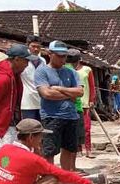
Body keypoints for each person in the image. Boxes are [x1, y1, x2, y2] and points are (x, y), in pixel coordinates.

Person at [34, 41, 83, 170]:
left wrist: (59, 88)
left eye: (64, 56)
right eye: (60, 56)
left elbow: (80, 92)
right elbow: (46, 93)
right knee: (49, 150)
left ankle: (66, 177)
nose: (63, 59)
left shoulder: (71, 73)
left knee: (69, 149)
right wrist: (69, 93)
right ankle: (50, 180)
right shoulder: (42, 71)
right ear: (50, 54)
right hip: (51, 116)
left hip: (71, 116)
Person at [0, 44, 37, 154]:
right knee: (5, 160)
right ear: (17, 60)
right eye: (26, 61)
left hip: (13, 124)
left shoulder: (15, 76)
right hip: (2, 126)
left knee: (14, 158)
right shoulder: (2, 79)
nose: (27, 64)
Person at [67, 49, 96, 158]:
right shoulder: (66, 69)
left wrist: (91, 100)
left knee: (86, 127)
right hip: (71, 102)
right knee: (73, 128)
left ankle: (88, 148)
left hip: (84, 103)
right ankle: (78, 149)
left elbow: (92, 86)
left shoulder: (87, 70)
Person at [65, 49, 85, 172]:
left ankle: (69, 168)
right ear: (78, 61)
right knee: (74, 141)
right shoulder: (74, 73)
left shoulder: (60, 71)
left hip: (63, 110)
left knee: (68, 142)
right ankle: (72, 168)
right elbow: (79, 93)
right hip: (75, 110)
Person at [21, 35, 47, 121]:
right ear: (27, 46)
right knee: (28, 129)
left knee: (40, 129)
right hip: (26, 101)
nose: (36, 49)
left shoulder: (43, 61)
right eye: (33, 46)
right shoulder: (22, 60)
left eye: (38, 47)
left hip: (41, 101)